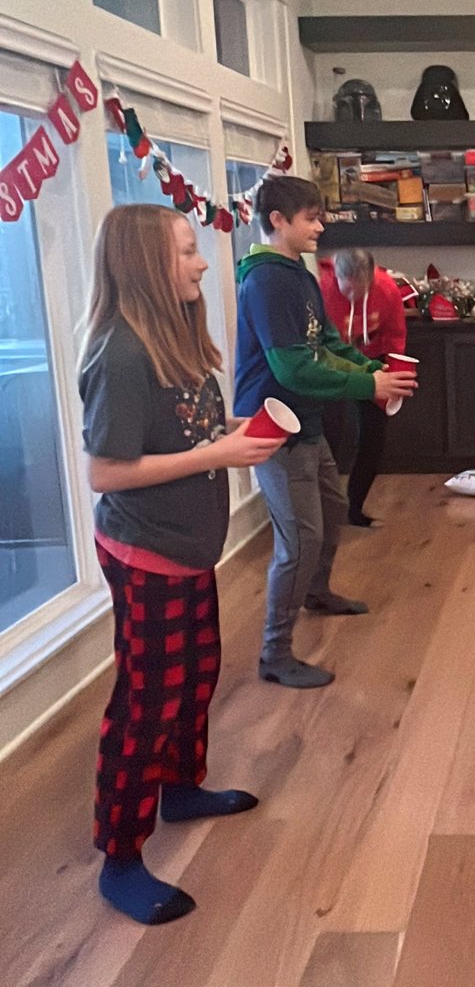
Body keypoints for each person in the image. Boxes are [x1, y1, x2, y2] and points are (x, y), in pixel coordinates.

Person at [80, 205, 285, 925]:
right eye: (188, 252)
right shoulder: (121, 355)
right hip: (146, 551)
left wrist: (239, 433)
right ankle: (120, 855)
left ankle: (179, 786)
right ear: (145, 265)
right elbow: (106, 470)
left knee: (197, 672)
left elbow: (190, 431)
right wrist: (217, 455)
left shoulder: (176, 340)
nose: (202, 264)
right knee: (146, 699)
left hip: (189, 546)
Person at [234, 176, 415, 689]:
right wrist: (367, 382)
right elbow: (294, 369)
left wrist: (376, 371)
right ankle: (275, 651)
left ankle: (317, 591)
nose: (320, 227)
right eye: (311, 218)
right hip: (274, 426)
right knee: (300, 537)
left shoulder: (300, 272)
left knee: (332, 511)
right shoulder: (265, 281)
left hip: (306, 418)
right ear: (278, 221)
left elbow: (327, 343)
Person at [318, 249, 409, 527]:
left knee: (373, 439)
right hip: (332, 364)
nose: (355, 296)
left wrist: (394, 376)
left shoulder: (387, 288)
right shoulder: (321, 289)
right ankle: (324, 514)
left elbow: (395, 337)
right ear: (337, 277)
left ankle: (355, 511)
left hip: (373, 362)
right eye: (348, 290)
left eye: (363, 289)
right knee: (330, 437)